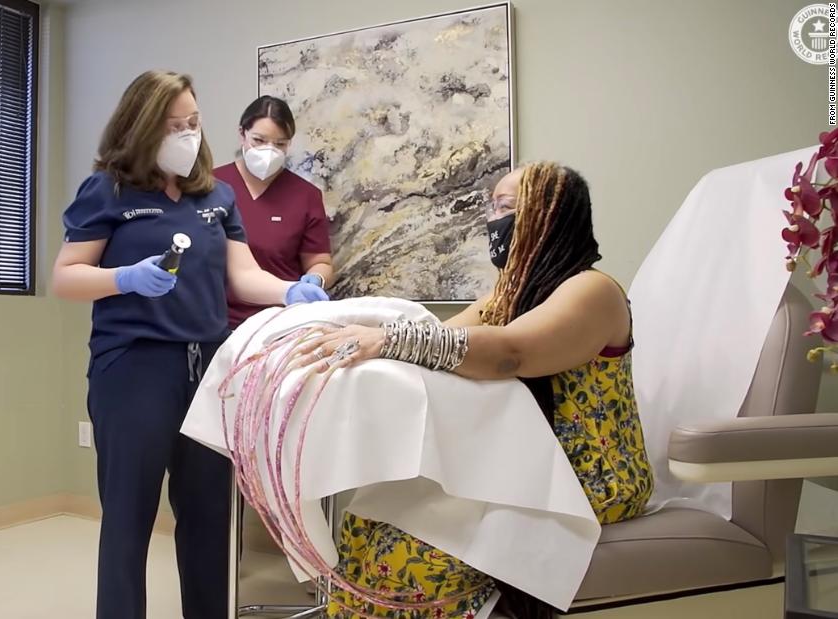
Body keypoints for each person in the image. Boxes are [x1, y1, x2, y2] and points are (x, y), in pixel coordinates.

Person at [297, 162, 654, 619]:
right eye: (493, 207)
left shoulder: (592, 290)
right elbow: (439, 337)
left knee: (410, 557)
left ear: (549, 215)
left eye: (507, 207)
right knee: (366, 526)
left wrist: (388, 340)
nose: (494, 220)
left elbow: (509, 353)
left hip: (590, 478)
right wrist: (356, 333)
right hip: (522, 463)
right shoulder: (511, 292)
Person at [51, 70, 328, 619]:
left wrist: (291, 291)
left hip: (210, 368)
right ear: (141, 128)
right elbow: (65, 276)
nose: (186, 135)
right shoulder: (108, 190)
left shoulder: (216, 196)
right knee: (129, 518)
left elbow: (242, 276)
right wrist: (124, 277)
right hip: (134, 369)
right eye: (173, 126)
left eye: (194, 123)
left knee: (208, 519)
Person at [215, 95, 334, 329]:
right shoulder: (211, 186)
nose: (268, 151)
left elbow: (320, 262)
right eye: (259, 140)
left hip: (280, 322)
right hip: (219, 321)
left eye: (280, 144)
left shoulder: (305, 195)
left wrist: (315, 280)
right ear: (242, 134)